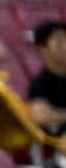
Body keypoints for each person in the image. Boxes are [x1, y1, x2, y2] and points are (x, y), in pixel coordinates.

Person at [27, 20, 66, 151]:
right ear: (42, 48)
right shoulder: (40, 84)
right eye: (60, 42)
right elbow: (40, 116)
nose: (65, 47)